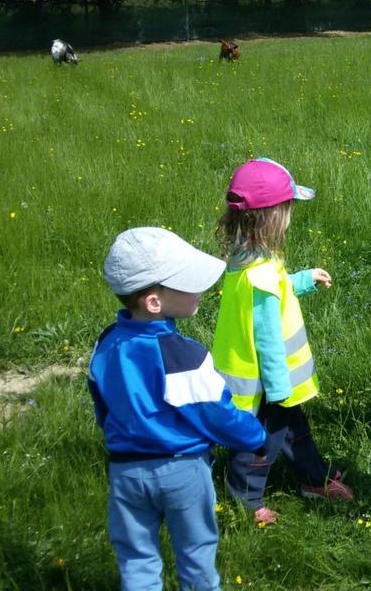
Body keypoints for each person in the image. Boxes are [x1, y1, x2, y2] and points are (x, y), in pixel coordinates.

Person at [90, 227, 267, 590]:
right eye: (187, 282)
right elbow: (215, 414)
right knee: (196, 552)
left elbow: (102, 406)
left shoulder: (106, 344)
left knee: (137, 560)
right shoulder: (184, 355)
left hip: (125, 472)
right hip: (182, 470)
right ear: (154, 301)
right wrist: (255, 435)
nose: (199, 289)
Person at [212, 158, 353, 527]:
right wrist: (279, 388)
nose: (291, 217)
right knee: (261, 441)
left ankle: (313, 477)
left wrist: (302, 279)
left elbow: (273, 290)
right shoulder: (259, 273)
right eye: (288, 209)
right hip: (265, 380)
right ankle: (245, 497)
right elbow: (267, 337)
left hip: (269, 379)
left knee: (295, 429)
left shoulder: (249, 259)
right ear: (272, 216)